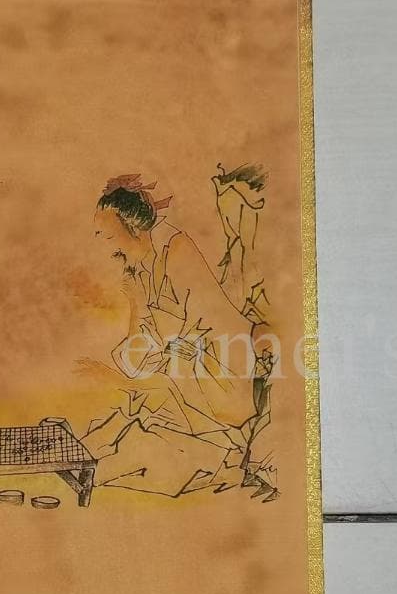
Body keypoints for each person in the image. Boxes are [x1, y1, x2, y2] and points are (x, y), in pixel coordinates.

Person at [78, 174, 277, 500]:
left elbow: (181, 353)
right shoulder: (141, 271)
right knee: (114, 436)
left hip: (218, 386)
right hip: (182, 387)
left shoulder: (177, 252)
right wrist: (135, 305)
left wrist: (121, 379)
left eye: (108, 234)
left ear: (134, 227)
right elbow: (139, 358)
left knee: (133, 451)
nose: (104, 243)